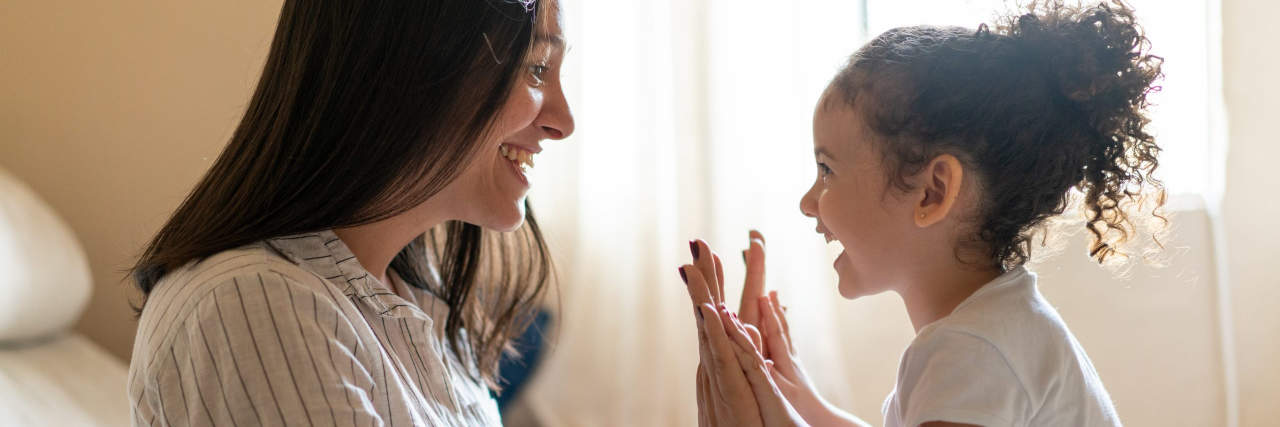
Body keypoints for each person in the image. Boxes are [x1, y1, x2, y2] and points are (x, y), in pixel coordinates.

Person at [681, 1, 1163, 426]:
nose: (809, 202)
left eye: (827, 169)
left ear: (932, 193)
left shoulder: (972, 351)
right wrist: (803, 401)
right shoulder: (992, 330)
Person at [126, 0, 573, 425]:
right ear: (415, 61)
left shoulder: (417, 300)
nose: (564, 122)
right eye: (536, 68)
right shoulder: (254, 304)